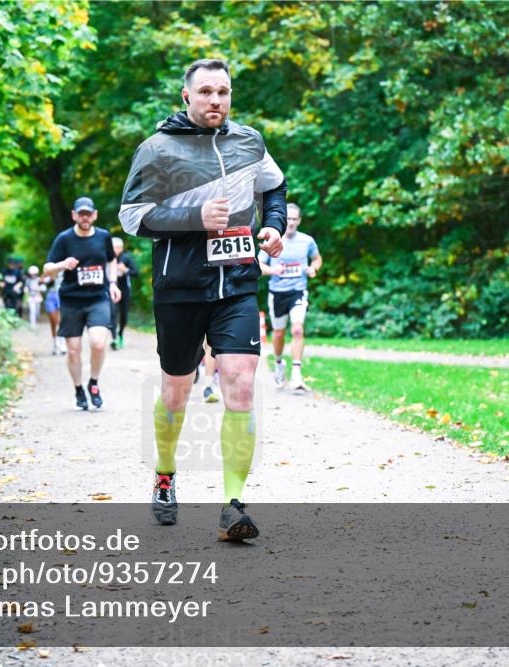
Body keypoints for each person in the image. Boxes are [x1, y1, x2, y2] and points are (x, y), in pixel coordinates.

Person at [120, 58, 287, 540]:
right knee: (177, 390)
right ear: (186, 97)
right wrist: (195, 215)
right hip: (181, 286)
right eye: (207, 92)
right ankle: (166, 475)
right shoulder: (157, 150)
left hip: (236, 280)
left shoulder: (249, 141)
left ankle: (233, 505)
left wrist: (272, 225)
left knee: (238, 382)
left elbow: (274, 187)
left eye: (224, 92)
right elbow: (133, 217)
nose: (217, 100)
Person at [43, 196, 121, 410]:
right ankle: (78, 389)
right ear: (74, 215)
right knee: (74, 350)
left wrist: (113, 283)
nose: (85, 217)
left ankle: (93, 383)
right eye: (81, 214)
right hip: (71, 300)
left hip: (98, 298)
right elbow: (46, 269)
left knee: (98, 342)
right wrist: (61, 264)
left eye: (88, 214)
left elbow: (111, 259)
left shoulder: (104, 236)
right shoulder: (64, 239)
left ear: (94, 215)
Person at [258, 203, 322, 392]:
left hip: (298, 291)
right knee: (278, 333)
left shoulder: (307, 241)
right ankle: (279, 364)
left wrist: (313, 268)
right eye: (289, 219)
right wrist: (273, 270)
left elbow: (317, 258)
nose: (291, 222)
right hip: (277, 294)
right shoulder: (273, 240)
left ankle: (296, 374)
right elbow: (258, 265)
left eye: (295, 219)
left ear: (299, 221)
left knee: (297, 330)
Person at [110, 237, 139, 350]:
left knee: (123, 315)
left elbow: (136, 273)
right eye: (114, 247)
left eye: (118, 247)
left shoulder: (126, 258)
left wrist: (125, 270)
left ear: (121, 248)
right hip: (112, 290)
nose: (116, 250)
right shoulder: (108, 258)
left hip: (124, 290)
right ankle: (114, 338)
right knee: (112, 312)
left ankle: (120, 333)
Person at [42, 273, 65, 355]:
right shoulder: (51, 268)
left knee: (61, 321)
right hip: (51, 295)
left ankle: (62, 344)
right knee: (53, 321)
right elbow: (41, 281)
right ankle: (55, 345)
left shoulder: (66, 267)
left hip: (62, 294)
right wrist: (49, 278)